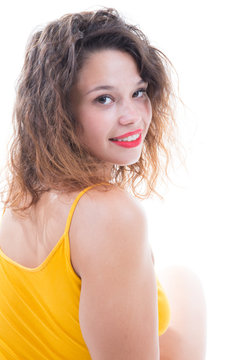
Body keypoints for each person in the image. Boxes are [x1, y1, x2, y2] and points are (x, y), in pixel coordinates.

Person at [0, 7, 206, 360]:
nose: (132, 117)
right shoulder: (109, 214)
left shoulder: (19, 196)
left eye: (139, 93)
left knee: (179, 278)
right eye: (104, 99)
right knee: (185, 285)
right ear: (60, 112)